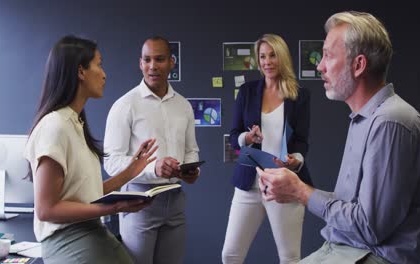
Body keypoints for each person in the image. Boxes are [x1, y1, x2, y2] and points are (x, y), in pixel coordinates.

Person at [257, 11, 420, 264]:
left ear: (359, 65)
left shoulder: (390, 123)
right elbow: (353, 208)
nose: (320, 65)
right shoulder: (364, 119)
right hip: (344, 248)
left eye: (328, 56)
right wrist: (294, 191)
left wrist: (301, 192)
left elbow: (369, 228)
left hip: (373, 256)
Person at [24, 35, 158, 264]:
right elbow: (46, 210)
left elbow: (85, 195)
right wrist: (113, 207)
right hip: (68, 238)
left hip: (89, 232)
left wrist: (130, 172)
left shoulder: (74, 125)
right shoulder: (55, 127)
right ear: (81, 72)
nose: (104, 73)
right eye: (99, 64)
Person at [103, 36, 200, 264]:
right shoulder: (125, 105)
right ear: (140, 64)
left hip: (175, 200)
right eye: (147, 60)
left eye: (159, 59)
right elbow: (111, 162)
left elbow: (191, 150)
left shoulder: (183, 105)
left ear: (171, 63)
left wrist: (191, 170)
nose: (152, 66)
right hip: (138, 202)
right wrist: (152, 168)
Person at [222, 33, 311, 264]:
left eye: (272, 55)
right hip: (249, 183)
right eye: (262, 56)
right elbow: (234, 137)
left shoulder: (299, 96)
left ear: (282, 58)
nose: (267, 62)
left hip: (284, 183)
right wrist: (247, 138)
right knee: (230, 255)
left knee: (290, 258)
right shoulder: (247, 91)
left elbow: (302, 141)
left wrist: (295, 159)